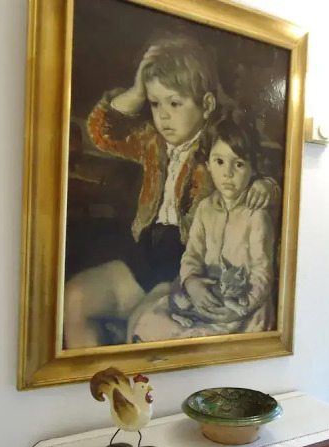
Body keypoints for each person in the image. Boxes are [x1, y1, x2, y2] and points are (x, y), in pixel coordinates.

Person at [64, 36, 278, 348]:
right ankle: (100, 381)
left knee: (141, 324)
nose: (163, 115)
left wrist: (266, 186)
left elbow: (252, 173)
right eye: (155, 103)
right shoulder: (152, 142)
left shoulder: (216, 148)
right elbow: (100, 131)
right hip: (144, 254)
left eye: (174, 103)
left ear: (206, 105)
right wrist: (137, 91)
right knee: (75, 299)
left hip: (187, 263)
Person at [174, 113, 275, 333]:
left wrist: (242, 307)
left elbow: (262, 273)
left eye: (238, 164)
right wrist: (191, 282)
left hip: (245, 310)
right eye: (219, 162)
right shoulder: (205, 208)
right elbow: (192, 254)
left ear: (252, 168)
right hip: (211, 299)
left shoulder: (256, 215)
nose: (227, 173)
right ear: (208, 164)